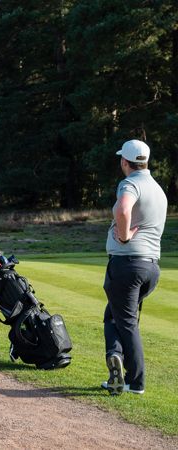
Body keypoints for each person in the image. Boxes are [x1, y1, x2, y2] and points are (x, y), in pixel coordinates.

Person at [101, 139, 167, 396]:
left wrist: (125, 234)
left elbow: (124, 208)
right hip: (151, 266)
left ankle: (135, 381)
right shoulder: (158, 188)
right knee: (116, 316)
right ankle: (116, 358)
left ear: (124, 162)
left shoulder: (130, 183)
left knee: (126, 323)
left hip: (127, 263)